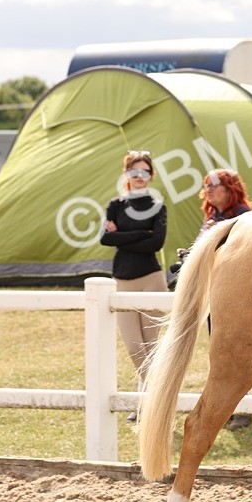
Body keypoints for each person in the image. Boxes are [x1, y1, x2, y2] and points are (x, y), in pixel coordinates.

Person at [100, 150, 168, 423]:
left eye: (145, 172)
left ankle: (145, 405)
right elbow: (106, 239)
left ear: (151, 176)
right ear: (126, 174)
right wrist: (141, 232)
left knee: (152, 346)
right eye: (134, 172)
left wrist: (122, 236)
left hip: (151, 279)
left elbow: (156, 243)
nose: (139, 177)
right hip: (122, 280)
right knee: (134, 347)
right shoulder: (115, 204)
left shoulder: (158, 205)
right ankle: (152, 399)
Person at [192, 168, 252, 430]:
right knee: (220, 355)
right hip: (217, 294)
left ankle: (245, 411)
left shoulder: (247, 219)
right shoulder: (211, 217)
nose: (208, 190)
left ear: (229, 189)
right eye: (206, 186)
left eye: (213, 186)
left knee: (241, 354)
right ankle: (229, 409)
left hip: (240, 297)